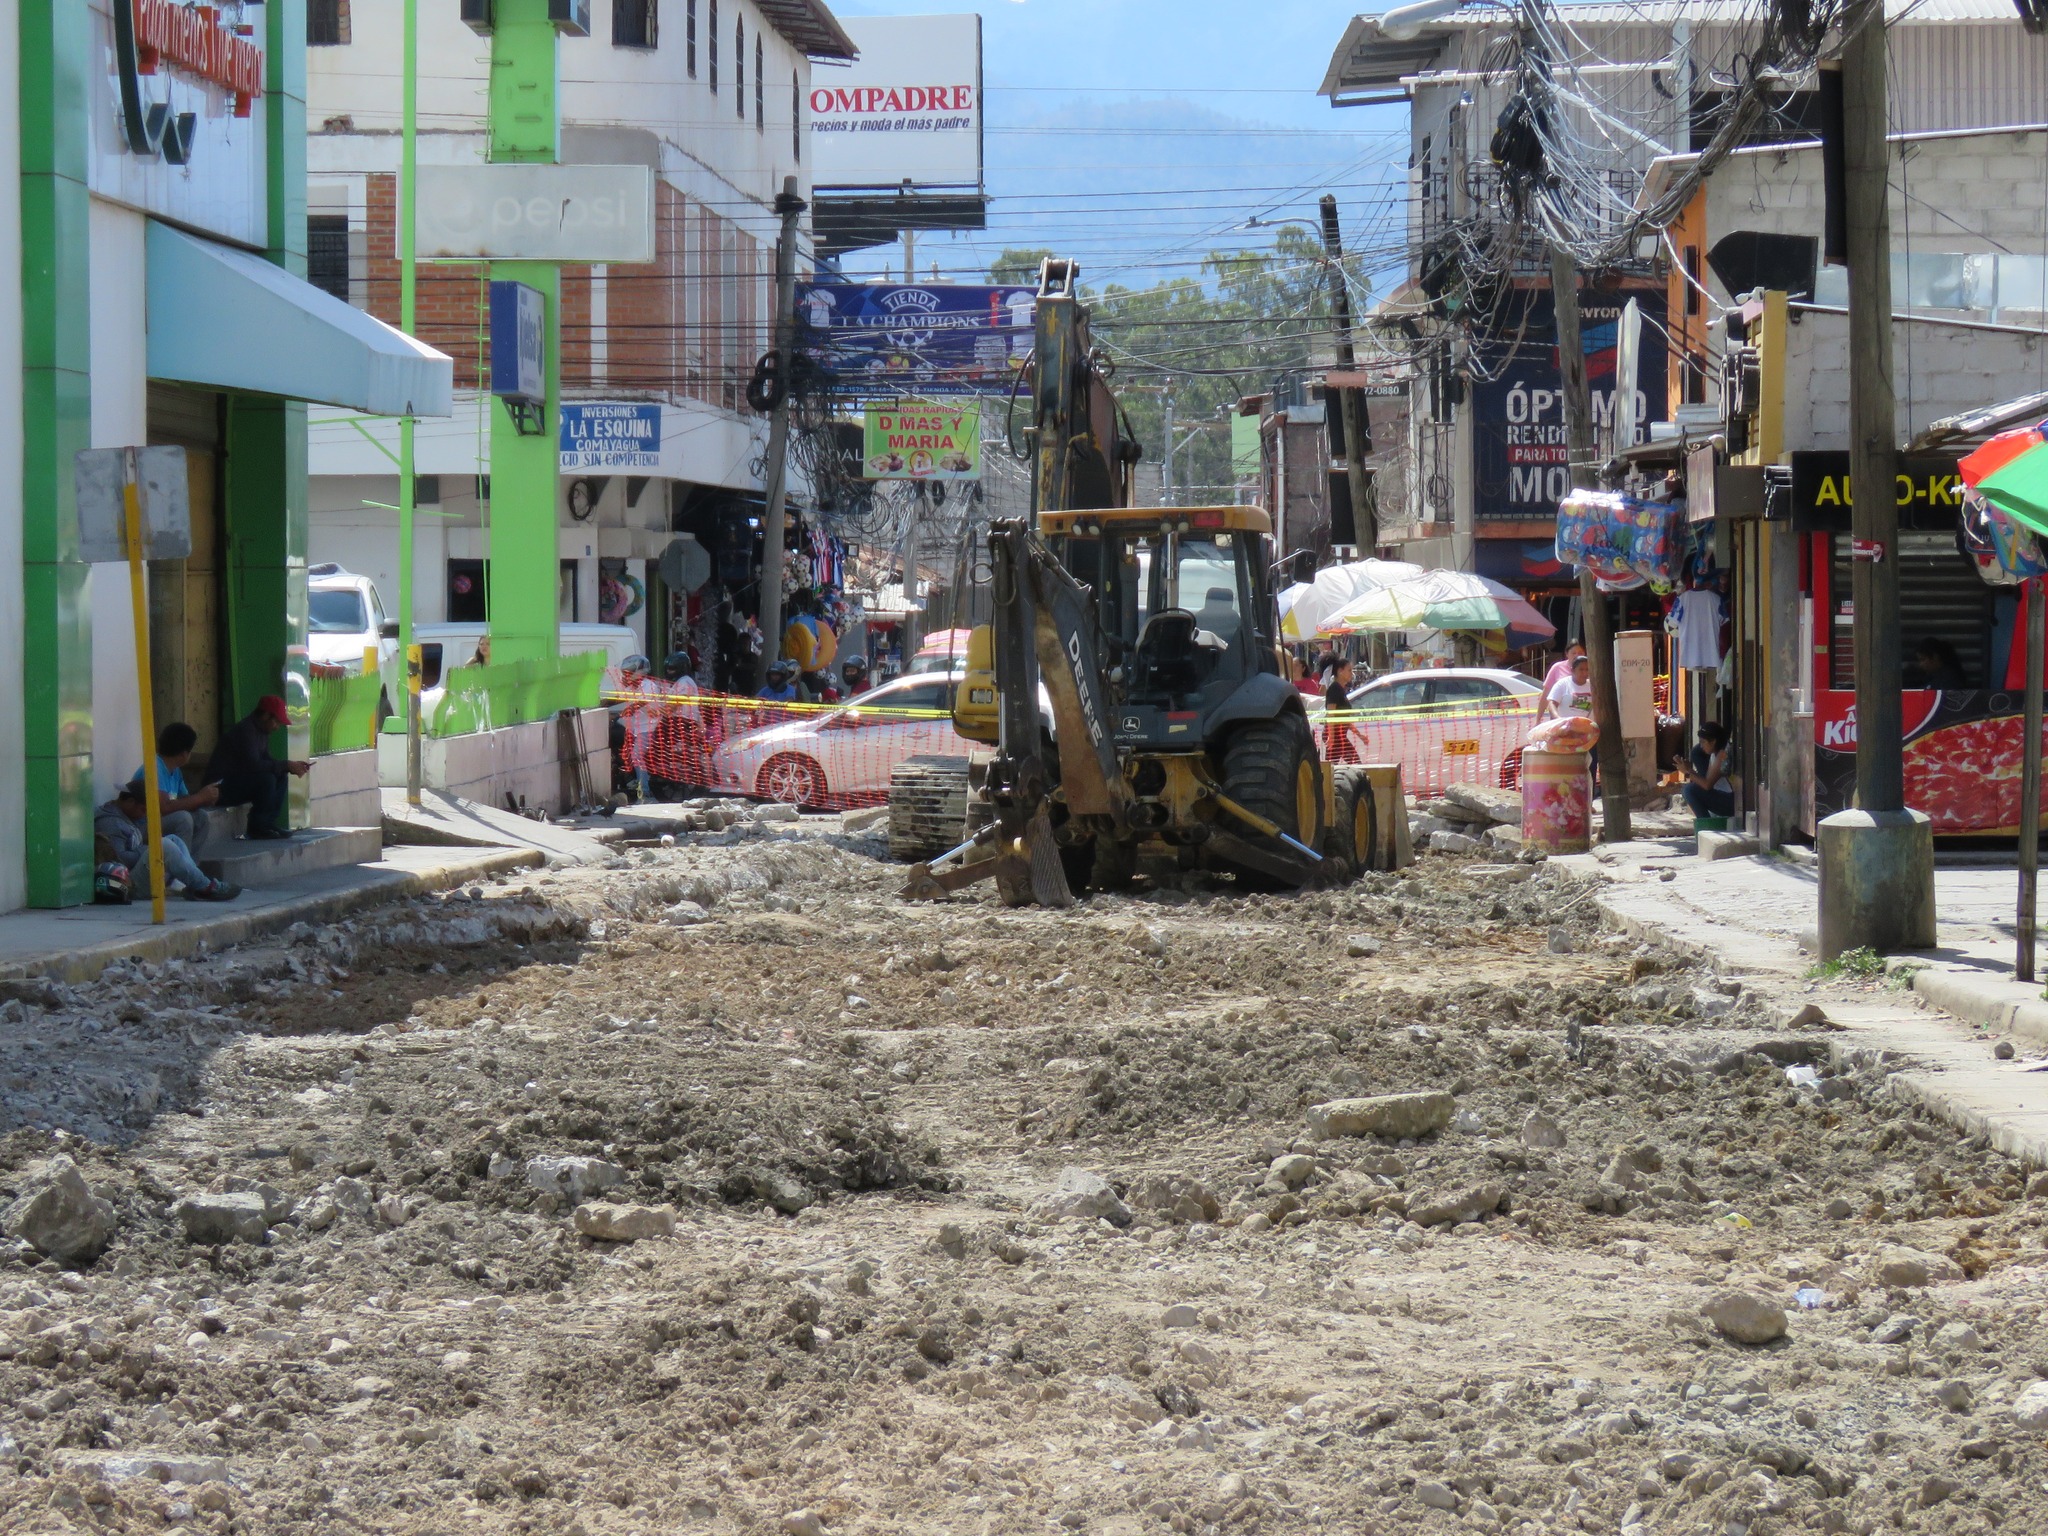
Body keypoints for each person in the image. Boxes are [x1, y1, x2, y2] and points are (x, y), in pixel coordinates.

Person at [94, 779, 239, 901]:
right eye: (143, 810)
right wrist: (148, 850)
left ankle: (196, 884)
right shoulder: (111, 823)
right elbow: (120, 860)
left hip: (136, 875)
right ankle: (205, 887)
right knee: (164, 845)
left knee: (173, 840)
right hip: (130, 885)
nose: (144, 815)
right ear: (130, 801)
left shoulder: (124, 816)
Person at [206, 695, 307, 840]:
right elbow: (253, 765)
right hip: (219, 788)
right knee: (266, 780)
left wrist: (289, 766)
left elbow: (266, 761)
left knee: (280, 774)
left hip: (238, 782)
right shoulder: (246, 731)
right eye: (276, 722)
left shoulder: (261, 732)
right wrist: (285, 764)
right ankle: (257, 826)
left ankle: (268, 822)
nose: (277, 727)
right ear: (266, 715)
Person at [135, 721, 219, 853]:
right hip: (141, 827)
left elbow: (184, 800)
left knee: (201, 817)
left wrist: (205, 799)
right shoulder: (155, 767)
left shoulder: (175, 771)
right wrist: (200, 797)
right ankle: (180, 863)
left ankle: (190, 862)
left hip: (160, 822)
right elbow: (164, 808)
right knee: (183, 819)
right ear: (184, 754)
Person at [616, 654, 661, 800]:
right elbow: (620, 701)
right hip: (636, 728)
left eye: (629, 673)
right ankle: (633, 780)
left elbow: (639, 704)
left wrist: (629, 709)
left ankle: (644, 791)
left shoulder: (649, 686)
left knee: (636, 755)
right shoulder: (632, 688)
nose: (626, 676)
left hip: (648, 728)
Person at [1683, 721, 1736, 820]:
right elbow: (1706, 780)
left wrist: (1688, 772)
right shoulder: (1714, 755)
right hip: (1726, 796)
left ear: (1713, 741)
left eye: (1703, 742)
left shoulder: (1722, 754)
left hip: (1733, 801)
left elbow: (1707, 785)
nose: (1701, 746)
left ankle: (1707, 825)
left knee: (1689, 790)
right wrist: (1689, 770)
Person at [1323, 656, 1361, 763]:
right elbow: (1331, 714)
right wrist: (1331, 736)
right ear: (1340, 671)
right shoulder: (1334, 689)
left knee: (1334, 766)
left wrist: (1360, 735)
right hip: (1335, 736)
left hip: (1339, 736)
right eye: (1349, 670)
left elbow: (1345, 718)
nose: (1352, 673)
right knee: (1355, 764)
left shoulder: (1340, 689)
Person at [1541, 654, 1594, 722]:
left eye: (1587, 669)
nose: (1585, 673)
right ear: (1572, 670)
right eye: (1581, 669)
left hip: (1586, 726)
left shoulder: (1593, 686)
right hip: (1565, 726)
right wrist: (1558, 718)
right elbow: (1552, 703)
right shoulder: (1562, 684)